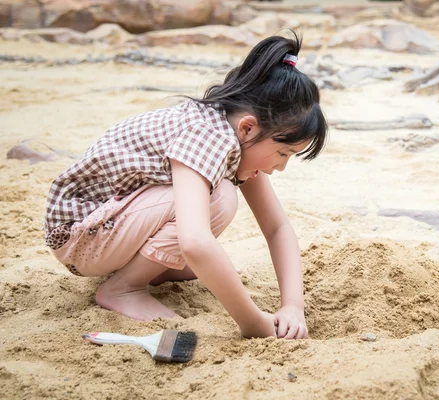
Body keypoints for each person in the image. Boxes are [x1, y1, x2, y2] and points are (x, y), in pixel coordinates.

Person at [43, 31, 327, 340]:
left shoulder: (235, 138)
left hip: (110, 228)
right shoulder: (207, 135)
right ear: (247, 127)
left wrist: (293, 307)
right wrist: (253, 323)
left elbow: (277, 227)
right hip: (80, 238)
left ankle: (146, 272)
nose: (280, 167)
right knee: (219, 199)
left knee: (209, 256)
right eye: (282, 152)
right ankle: (123, 288)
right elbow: (195, 242)